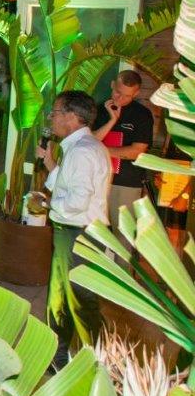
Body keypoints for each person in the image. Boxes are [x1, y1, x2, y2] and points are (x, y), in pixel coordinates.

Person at [35, 90, 111, 368]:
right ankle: (60, 359)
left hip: (78, 233)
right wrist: (50, 164)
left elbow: (77, 202)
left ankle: (93, 364)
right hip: (79, 232)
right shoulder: (84, 147)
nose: (51, 118)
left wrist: (48, 204)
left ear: (72, 117)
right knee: (64, 299)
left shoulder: (82, 152)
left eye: (55, 113)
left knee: (77, 301)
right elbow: (71, 187)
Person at [92, 71, 154, 229]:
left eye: (127, 96)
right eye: (118, 92)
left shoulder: (142, 115)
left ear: (136, 93)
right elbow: (88, 142)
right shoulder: (97, 110)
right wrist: (112, 121)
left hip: (125, 183)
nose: (120, 99)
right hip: (95, 180)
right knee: (95, 233)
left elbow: (137, 152)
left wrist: (101, 150)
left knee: (123, 234)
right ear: (112, 85)